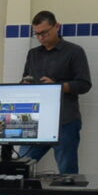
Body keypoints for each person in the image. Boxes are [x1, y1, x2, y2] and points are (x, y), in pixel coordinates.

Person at [17, 9, 92, 183]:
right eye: (37, 34)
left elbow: (84, 84)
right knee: (21, 165)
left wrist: (57, 87)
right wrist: (24, 85)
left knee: (67, 172)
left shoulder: (74, 52)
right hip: (36, 121)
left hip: (65, 121)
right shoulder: (33, 54)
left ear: (57, 27)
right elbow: (25, 78)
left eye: (45, 33)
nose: (41, 38)